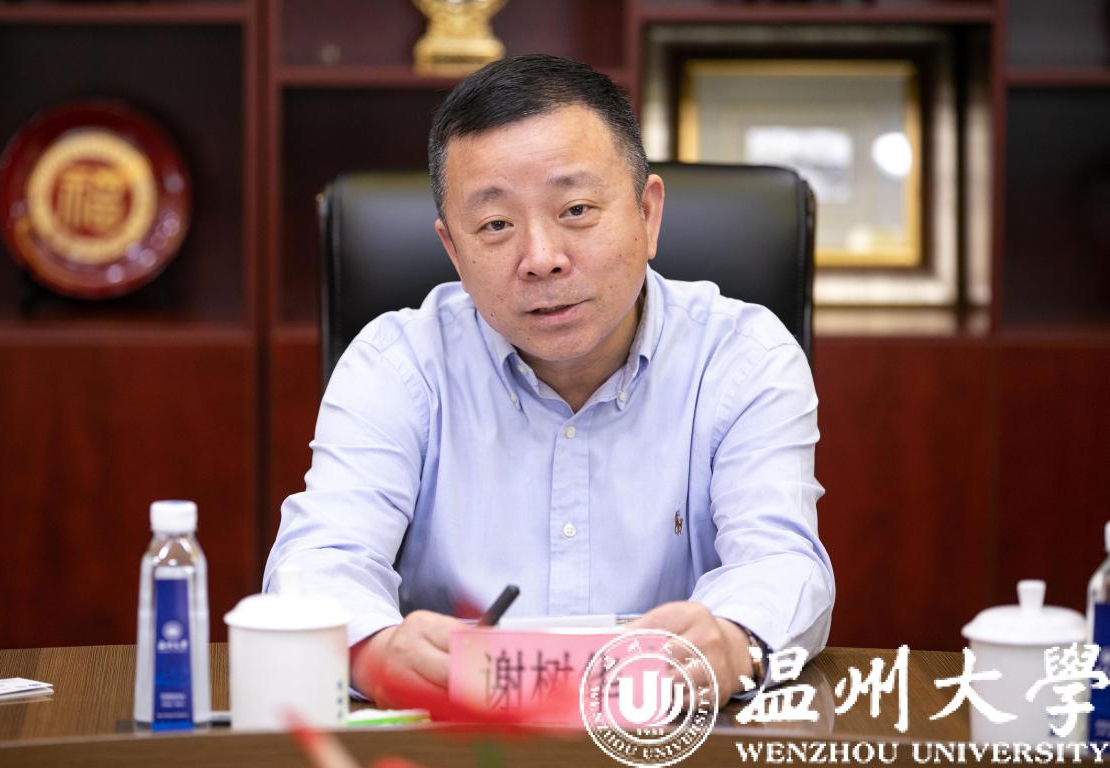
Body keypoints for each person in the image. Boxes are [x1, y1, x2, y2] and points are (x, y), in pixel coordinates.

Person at [264, 54, 834, 708]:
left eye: (577, 209)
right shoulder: (397, 365)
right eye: (496, 225)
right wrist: (370, 651)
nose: (541, 259)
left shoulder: (742, 357)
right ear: (454, 251)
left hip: (673, 732)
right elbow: (318, 560)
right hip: (462, 736)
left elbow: (781, 561)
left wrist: (735, 640)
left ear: (648, 215)